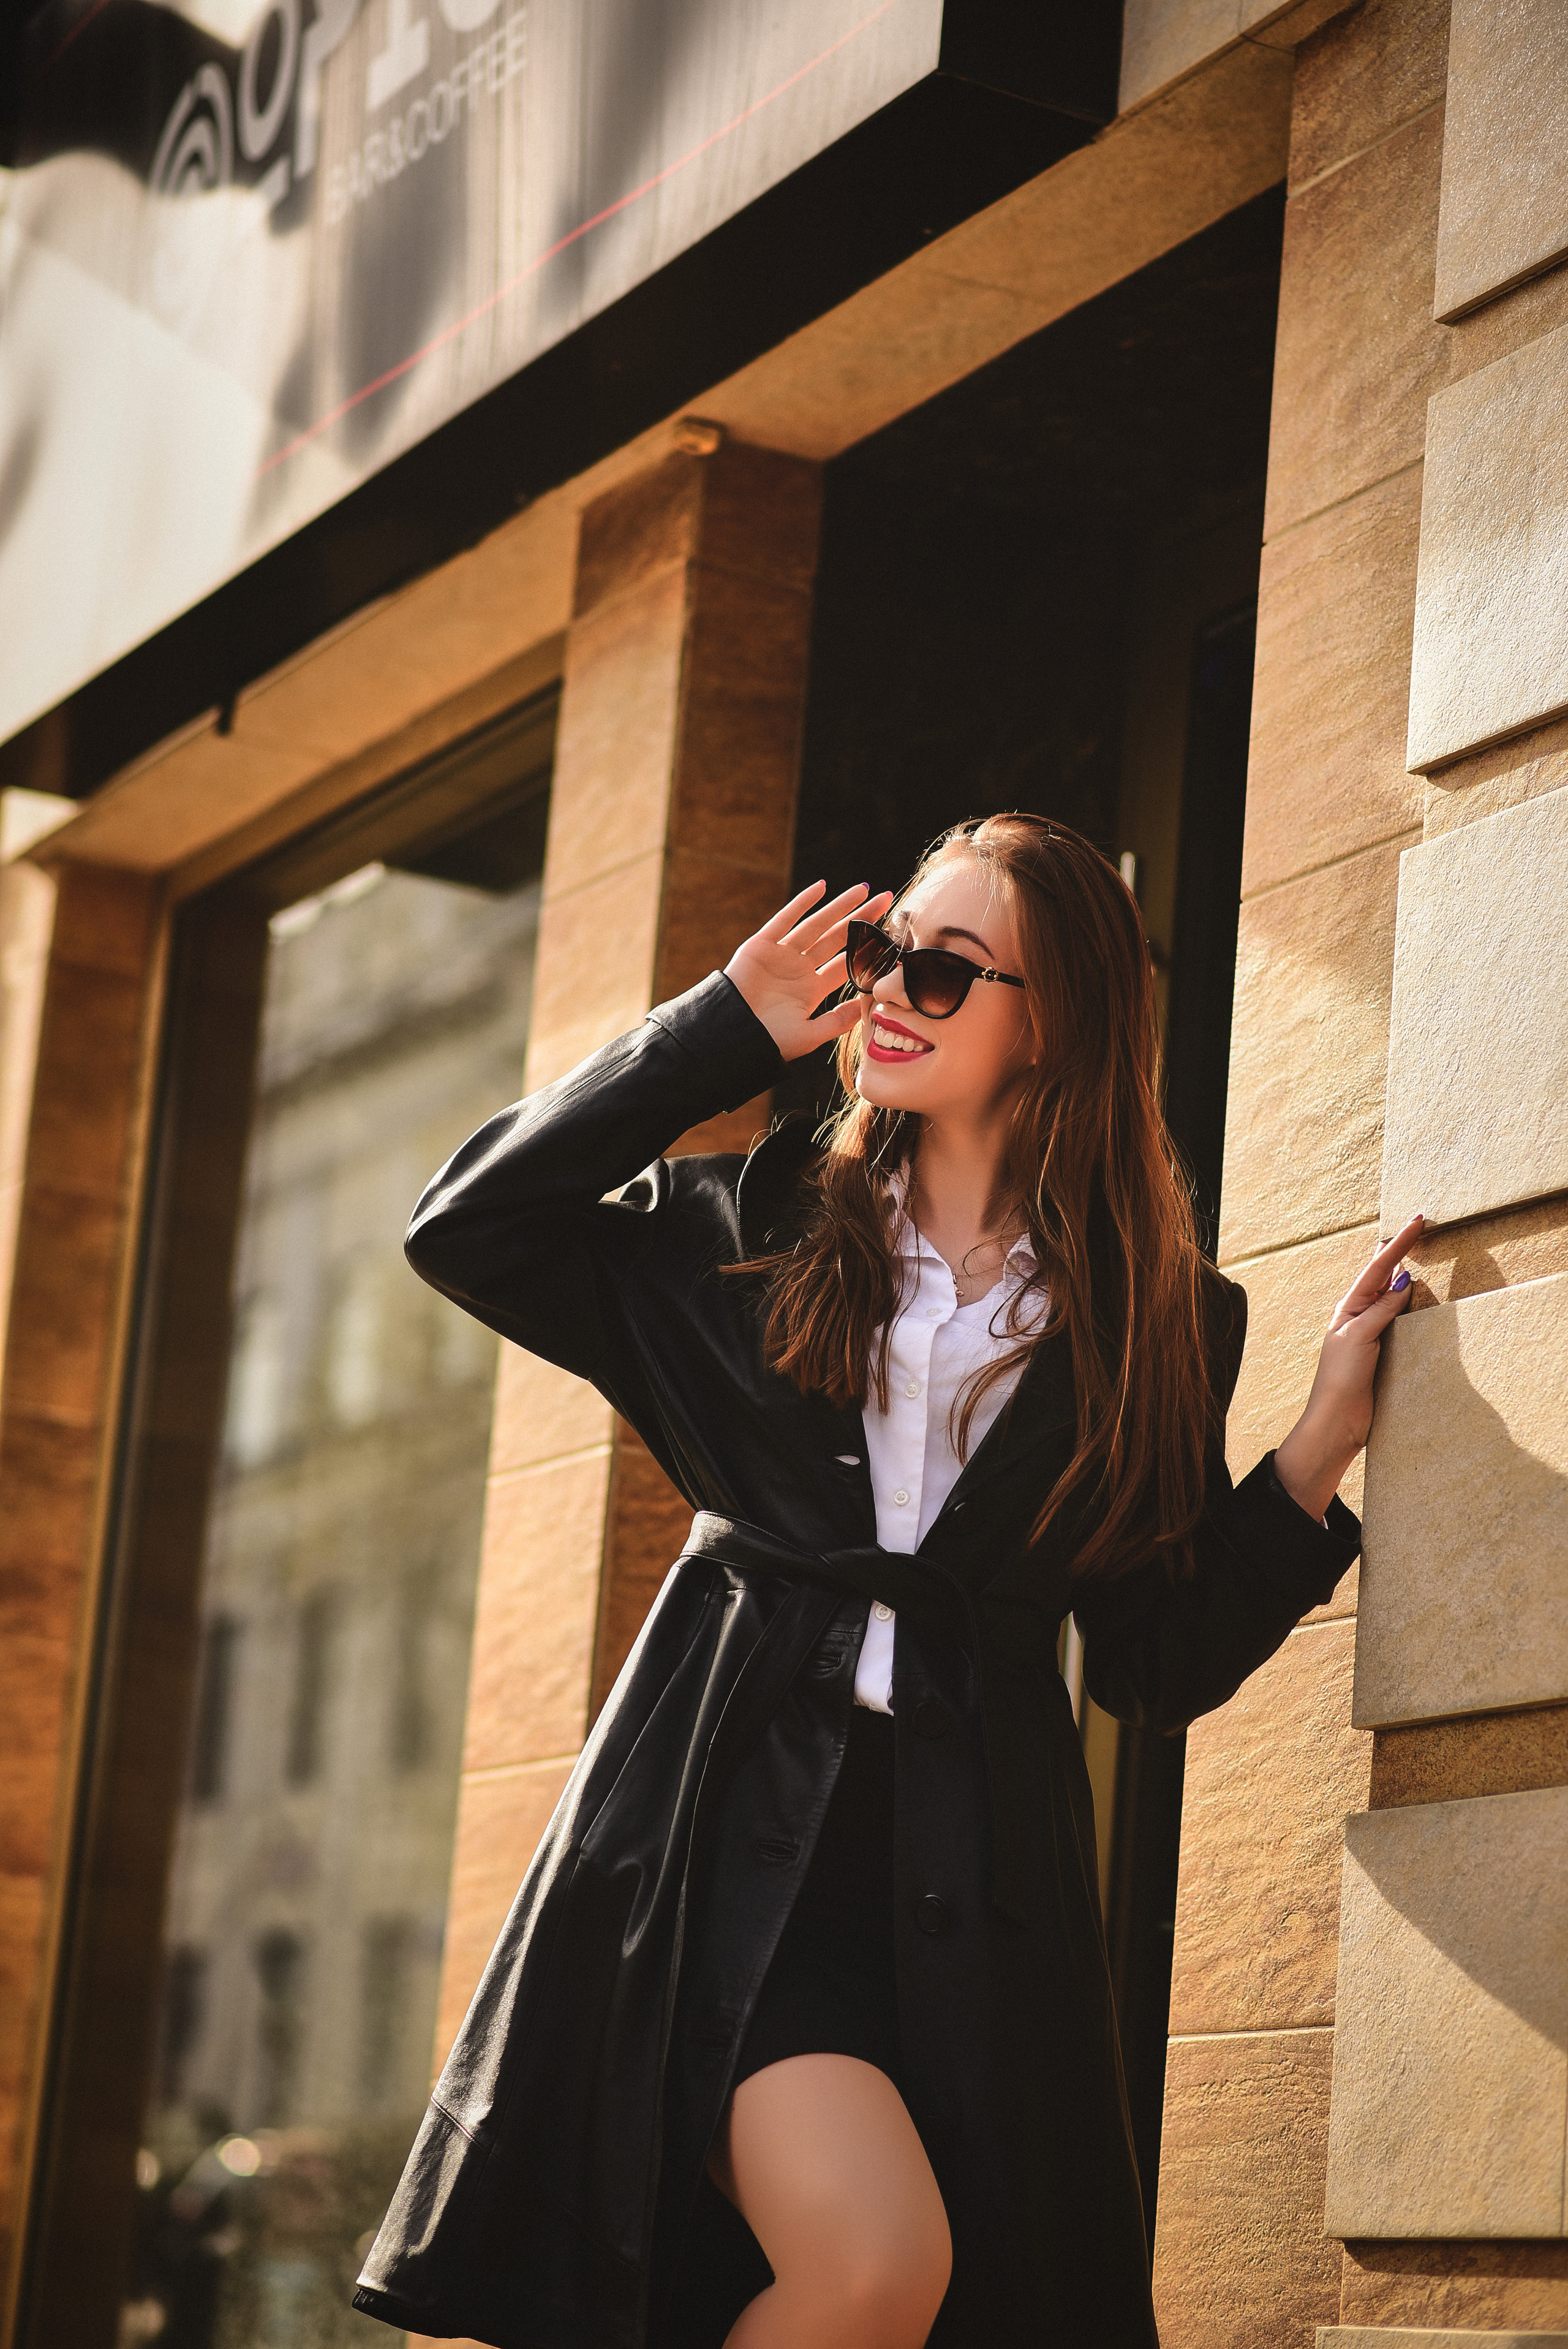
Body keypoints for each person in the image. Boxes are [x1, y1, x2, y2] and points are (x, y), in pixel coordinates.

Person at [353, 813, 1419, 2349]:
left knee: (943, 2301)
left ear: (1054, 1021)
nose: (890, 993)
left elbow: (1150, 1662)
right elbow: (468, 1228)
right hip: (724, 1855)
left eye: (941, 968)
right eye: (879, 955)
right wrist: (717, 1029)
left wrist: (1316, 1441)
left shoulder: (1158, 1317)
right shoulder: (744, 1232)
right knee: (874, 2269)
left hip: (974, 1890)